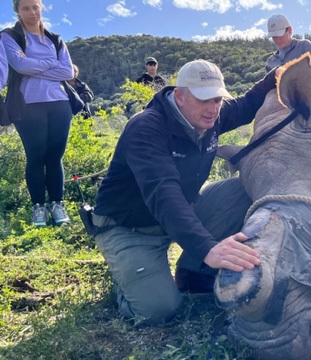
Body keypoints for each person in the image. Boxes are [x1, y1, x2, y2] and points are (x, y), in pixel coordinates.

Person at [92, 59, 278, 325]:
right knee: (159, 309)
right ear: (179, 96)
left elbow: (246, 104)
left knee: (244, 188)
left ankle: (192, 270)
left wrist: (281, 74)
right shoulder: (146, 128)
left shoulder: (211, 116)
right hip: (130, 228)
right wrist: (208, 248)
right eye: (204, 100)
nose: (213, 109)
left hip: (183, 210)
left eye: (217, 99)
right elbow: (164, 194)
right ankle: (128, 281)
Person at [2, 0, 74, 226]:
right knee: (35, 156)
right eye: (25, 8)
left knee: (55, 157)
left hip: (60, 103)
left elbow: (68, 71)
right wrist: (51, 64)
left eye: (35, 7)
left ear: (41, 7)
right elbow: (19, 66)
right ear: (18, 12)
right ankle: (38, 208)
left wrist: (34, 64)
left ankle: (57, 204)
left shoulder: (56, 39)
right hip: (28, 105)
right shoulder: (9, 37)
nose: (32, 12)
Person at [265, 14, 311, 86]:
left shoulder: (303, 46)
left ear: (290, 30)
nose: (277, 39)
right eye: (274, 37)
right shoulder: (270, 62)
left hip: (308, 93)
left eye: (279, 35)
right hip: (280, 96)